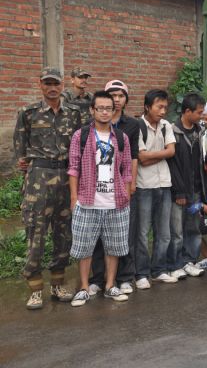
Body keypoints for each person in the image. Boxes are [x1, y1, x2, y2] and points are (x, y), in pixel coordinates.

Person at [14, 67, 82, 309]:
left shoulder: (73, 114)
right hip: (39, 178)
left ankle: (58, 284)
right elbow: (20, 150)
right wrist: (28, 171)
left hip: (65, 177)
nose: (52, 88)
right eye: (47, 83)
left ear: (62, 85)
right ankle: (35, 289)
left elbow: (78, 146)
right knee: (36, 232)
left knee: (64, 233)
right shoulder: (28, 113)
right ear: (40, 85)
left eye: (56, 83)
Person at [68, 91, 132, 306]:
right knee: (84, 248)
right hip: (87, 201)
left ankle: (110, 285)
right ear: (92, 110)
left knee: (114, 247)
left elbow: (127, 170)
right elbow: (73, 168)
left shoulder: (121, 138)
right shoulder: (81, 136)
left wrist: (126, 194)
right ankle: (84, 288)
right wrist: (74, 198)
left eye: (108, 108)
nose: (105, 112)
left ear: (114, 111)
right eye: (100, 108)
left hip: (116, 202)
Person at [88, 80, 140, 296]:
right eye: (113, 95)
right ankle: (98, 279)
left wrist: (132, 184)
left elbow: (133, 157)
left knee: (124, 234)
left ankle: (125, 277)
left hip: (121, 186)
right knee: (98, 237)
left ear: (126, 100)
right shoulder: (90, 126)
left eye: (121, 96)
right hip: (97, 189)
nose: (117, 100)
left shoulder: (132, 125)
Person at [134, 89, 177, 289]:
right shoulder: (137, 126)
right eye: (159, 107)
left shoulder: (166, 125)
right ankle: (141, 273)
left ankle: (159, 270)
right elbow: (140, 158)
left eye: (165, 107)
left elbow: (172, 151)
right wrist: (162, 154)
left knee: (164, 232)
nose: (163, 111)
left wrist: (152, 156)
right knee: (142, 233)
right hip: (144, 185)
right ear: (147, 107)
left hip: (164, 184)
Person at [167, 93, 206, 279]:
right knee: (177, 230)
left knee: (193, 228)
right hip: (179, 191)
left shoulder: (200, 131)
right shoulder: (172, 131)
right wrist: (179, 191)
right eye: (199, 112)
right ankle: (175, 264)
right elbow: (172, 165)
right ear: (187, 111)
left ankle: (190, 260)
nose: (201, 115)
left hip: (196, 189)